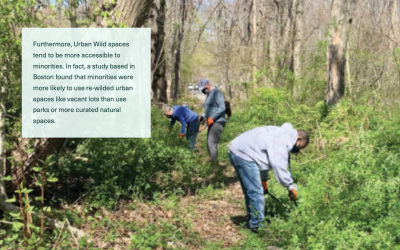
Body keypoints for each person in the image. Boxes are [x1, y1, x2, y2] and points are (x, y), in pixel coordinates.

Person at [228, 123, 309, 233]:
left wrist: (263, 180)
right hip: (244, 153)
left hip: (238, 149)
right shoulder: (283, 141)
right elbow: (278, 166)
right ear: (298, 138)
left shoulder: (282, 135)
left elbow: (263, 159)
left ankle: (252, 218)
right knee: (256, 192)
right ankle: (257, 227)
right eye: (300, 146)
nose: (298, 149)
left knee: (251, 191)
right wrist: (290, 186)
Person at [198, 79, 226, 162]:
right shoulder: (209, 94)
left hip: (218, 121)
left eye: (203, 88)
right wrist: (203, 116)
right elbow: (210, 109)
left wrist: (212, 117)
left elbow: (222, 107)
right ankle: (214, 162)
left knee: (212, 143)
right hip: (212, 121)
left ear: (208, 85)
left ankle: (214, 164)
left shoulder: (217, 93)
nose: (203, 90)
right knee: (210, 143)